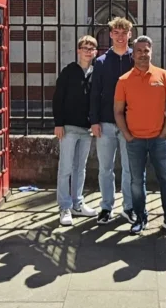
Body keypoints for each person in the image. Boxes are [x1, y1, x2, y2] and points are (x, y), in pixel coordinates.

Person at [114, 35, 166, 235]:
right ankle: (140, 218)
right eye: (138, 51)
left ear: (151, 51)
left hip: (159, 140)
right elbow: (117, 111)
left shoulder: (164, 76)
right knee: (136, 182)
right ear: (133, 54)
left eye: (146, 50)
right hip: (135, 141)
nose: (142, 54)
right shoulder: (123, 81)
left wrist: (163, 133)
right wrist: (128, 136)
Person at [90, 16, 136, 224]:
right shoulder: (100, 62)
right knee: (105, 169)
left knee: (129, 169)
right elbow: (94, 93)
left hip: (130, 124)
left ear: (130, 34)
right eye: (116, 33)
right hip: (106, 123)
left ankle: (128, 207)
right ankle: (106, 207)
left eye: (123, 33)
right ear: (110, 35)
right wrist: (94, 121)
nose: (120, 36)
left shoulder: (135, 60)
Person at [53, 35, 100, 226]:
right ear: (78, 50)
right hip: (69, 127)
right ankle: (64, 206)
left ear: (96, 52)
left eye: (92, 48)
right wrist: (58, 123)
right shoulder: (68, 72)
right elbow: (58, 98)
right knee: (65, 168)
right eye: (85, 47)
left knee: (80, 169)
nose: (88, 51)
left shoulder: (96, 73)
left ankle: (77, 203)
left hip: (87, 128)